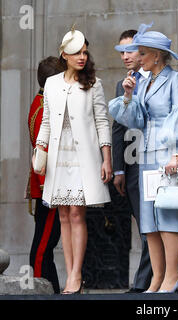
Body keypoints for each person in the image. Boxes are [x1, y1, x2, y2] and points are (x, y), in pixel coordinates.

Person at [109, 22, 178, 293]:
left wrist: (177, 155)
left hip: (168, 155)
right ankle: (157, 278)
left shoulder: (175, 79)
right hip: (145, 153)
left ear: (156, 55)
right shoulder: (143, 83)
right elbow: (133, 120)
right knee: (149, 220)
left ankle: (173, 276)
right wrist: (127, 94)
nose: (138, 59)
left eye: (143, 54)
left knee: (168, 215)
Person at [34, 27, 112, 294]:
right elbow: (45, 121)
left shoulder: (94, 84)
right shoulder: (52, 84)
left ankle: (76, 275)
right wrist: (40, 150)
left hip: (84, 157)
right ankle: (69, 274)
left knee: (77, 213)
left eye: (85, 52)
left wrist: (107, 160)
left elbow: (103, 122)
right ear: (64, 55)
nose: (82, 57)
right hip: (58, 156)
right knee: (64, 215)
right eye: (77, 52)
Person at [112, 29, 152, 293]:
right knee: (143, 223)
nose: (125, 56)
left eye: (130, 50)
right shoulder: (121, 84)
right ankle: (147, 279)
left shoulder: (160, 78)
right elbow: (117, 129)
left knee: (158, 223)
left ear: (143, 51)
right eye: (122, 52)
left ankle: (148, 281)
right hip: (134, 162)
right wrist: (118, 168)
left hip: (160, 159)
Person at [26, 56, 63, 294]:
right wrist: (50, 189)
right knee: (42, 247)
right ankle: (41, 289)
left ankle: (54, 290)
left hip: (49, 184)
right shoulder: (44, 108)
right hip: (49, 185)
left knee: (47, 245)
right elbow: (44, 150)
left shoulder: (42, 102)